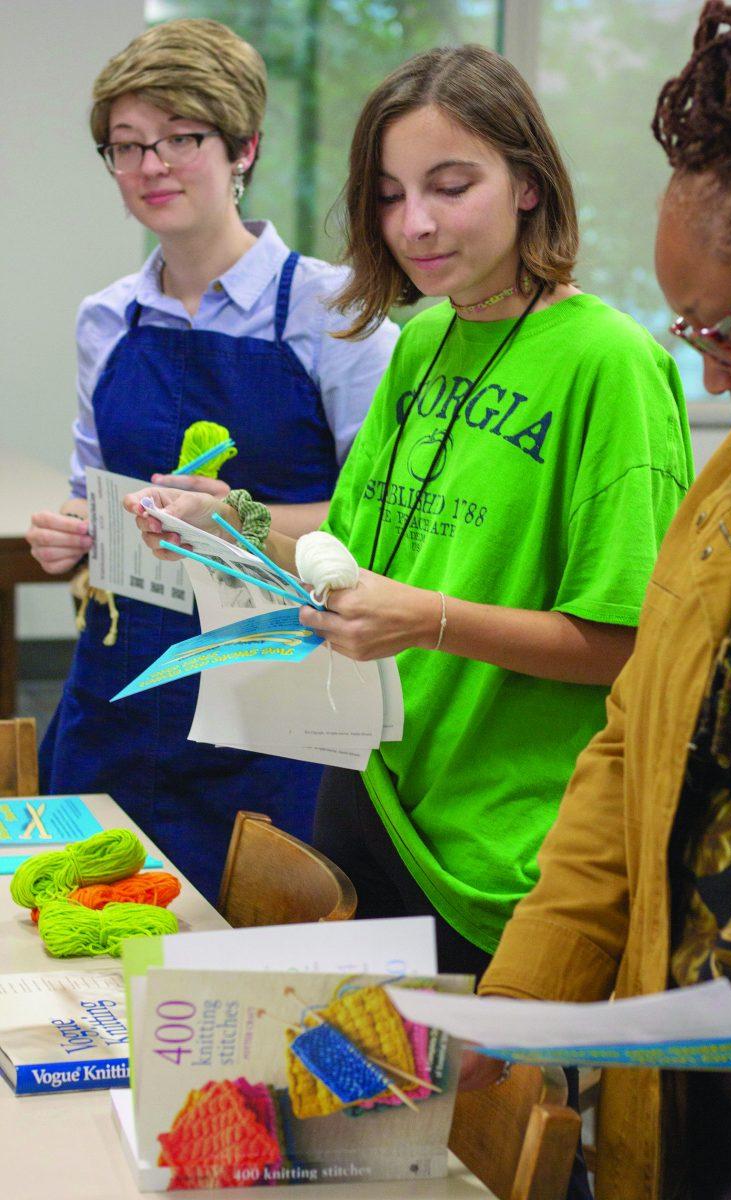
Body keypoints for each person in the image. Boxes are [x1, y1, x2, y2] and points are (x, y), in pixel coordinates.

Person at [127, 41, 692, 975]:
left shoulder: (611, 364)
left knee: (478, 1121)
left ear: (528, 183)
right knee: (361, 1105)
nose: (415, 224)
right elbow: (352, 541)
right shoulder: (425, 338)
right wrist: (233, 518)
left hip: (504, 846)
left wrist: (427, 621)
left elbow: (630, 645)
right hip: (377, 787)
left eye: (450, 184)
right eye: (389, 194)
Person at [475, 2, 731, 1197]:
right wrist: (516, 1013)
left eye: (723, 328)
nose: (709, 374)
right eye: (687, 332)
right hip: (698, 1102)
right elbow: (631, 755)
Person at [24, 18, 398, 902]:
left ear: (244, 148)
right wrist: (70, 534)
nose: (151, 167)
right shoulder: (105, 319)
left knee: (253, 984)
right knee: (86, 949)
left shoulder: (336, 312)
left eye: (180, 138)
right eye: (125, 146)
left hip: (279, 711)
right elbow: (94, 498)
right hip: (120, 693)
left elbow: (385, 522)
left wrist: (242, 519)